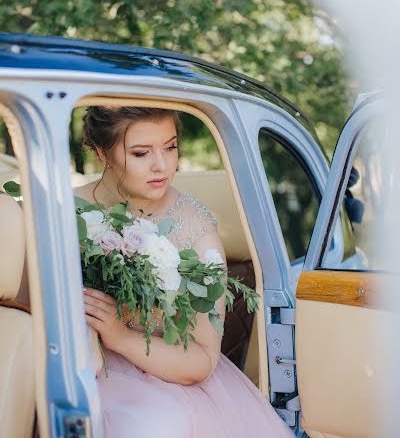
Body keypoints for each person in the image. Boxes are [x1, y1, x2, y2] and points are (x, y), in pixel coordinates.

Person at [76, 106, 295, 438]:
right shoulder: (65, 210)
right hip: (74, 365)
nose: (162, 166)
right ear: (102, 151)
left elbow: (202, 360)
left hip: (169, 378)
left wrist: (120, 336)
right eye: (140, 153)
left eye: (170, 147)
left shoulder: (195, 227)